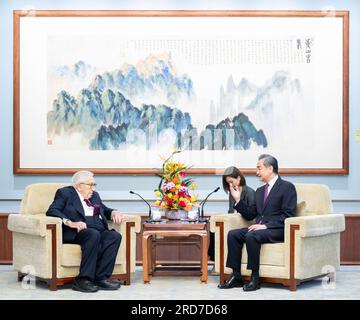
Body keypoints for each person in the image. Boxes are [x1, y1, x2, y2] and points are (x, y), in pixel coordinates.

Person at [218, 154, 297, 291]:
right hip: (260, 229)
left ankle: (255, 278)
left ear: (270, 168)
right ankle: (236, 276)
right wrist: (238, 200)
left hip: (277, 230)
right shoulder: (260, 191)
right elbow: (250, 215)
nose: (256, 172)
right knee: (233, 234)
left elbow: (288, 215)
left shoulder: (287, 187)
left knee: (252, 235)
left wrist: (265, 226)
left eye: (259, 168)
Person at [46, 171, 124, 293]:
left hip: (98, 229)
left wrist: (113, 212)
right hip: (78, 230)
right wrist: (70, 222)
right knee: (93, 234)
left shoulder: (95, 196)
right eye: (91, 185)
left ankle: (101, 278)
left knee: (114, 236)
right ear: (79, 185)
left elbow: (103, 209)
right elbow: (52, 210)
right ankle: (83, 280)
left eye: (94, 184)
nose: (94, 188)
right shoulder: (66, 193)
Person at [208, 166, 255, 262]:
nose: (230, 185)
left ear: (238, 178)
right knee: (214, 228)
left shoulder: (250, 192)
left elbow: (251, 214)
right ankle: (215, 261)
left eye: (231, 181)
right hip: (235, 221)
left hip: (247, 222)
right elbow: (231, 211)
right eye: (227, 183)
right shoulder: (232, 192)